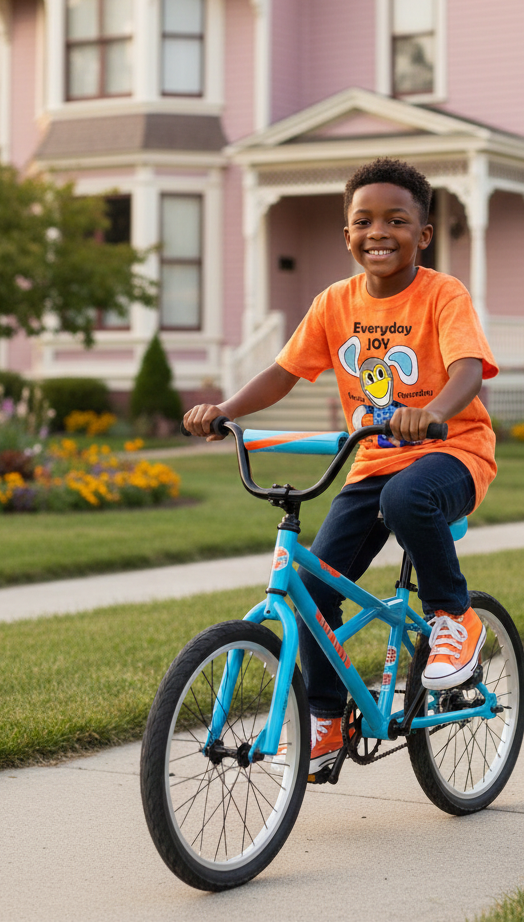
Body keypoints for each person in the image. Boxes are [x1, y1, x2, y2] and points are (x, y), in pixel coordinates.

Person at [183, 158, 498, 773]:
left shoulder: (443, 295)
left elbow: (466, 369)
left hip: (450, 453)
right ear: (347, 236)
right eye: (364, 221)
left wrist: (430, 411)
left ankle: (454, 618)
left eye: (396, 220)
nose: (379, 231)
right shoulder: (334, 303)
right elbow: (284, 371)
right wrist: (225, 410)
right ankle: (327, 718)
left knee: (405, 500)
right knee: (312, 591)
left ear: (423, 236)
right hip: (370, 463)